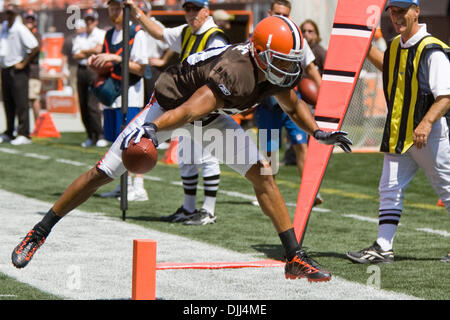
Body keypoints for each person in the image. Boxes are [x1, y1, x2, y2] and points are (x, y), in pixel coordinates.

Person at [11, 15, 352, 282]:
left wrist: (318, 132)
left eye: (291, 61)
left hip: (210, 116)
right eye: (281, 60)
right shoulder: (237, 72)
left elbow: (292, 105)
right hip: (170, 107)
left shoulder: (268, 70)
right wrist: (151, 127)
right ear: (260, 54)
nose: (289, 68)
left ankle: (294, 257)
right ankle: (39, 232)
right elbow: (188, 111)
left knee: (263, 174)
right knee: (104, 172)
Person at [346, 0, 450, 264]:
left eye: (402, 11)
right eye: (393, 11)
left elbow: (446, 96)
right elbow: (390, 66)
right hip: (398, 133)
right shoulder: (395, 45)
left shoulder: (432, 50)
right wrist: (363, 46)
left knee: (447, 190)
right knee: (389, 188)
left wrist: (425, 123)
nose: (396, 16)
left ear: (417, 11)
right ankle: (383, 246)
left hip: (429, 134)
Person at [128, 0, 230, 225]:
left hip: (206, 107)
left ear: (206, 10)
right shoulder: (187, 32)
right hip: (185, 106)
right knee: (186, 157)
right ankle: (189, 207)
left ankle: (209, 210)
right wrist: (137, 13)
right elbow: (159, 33)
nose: (191, 13)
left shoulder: (215, 37)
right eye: (188, 8)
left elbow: (218, 75)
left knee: (207, 157)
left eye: (196, 8)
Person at [254, 0, 323, 205]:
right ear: (269, 13)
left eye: (285, 15)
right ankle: (268, 191)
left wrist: (325, 95)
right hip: (267, 103)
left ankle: (311, 192)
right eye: (277, 13)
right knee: (270, 150)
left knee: (302, 145)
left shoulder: (296, 38)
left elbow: (310, 68)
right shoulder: (257, 35)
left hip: (291, 100)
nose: (281, 18)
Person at [92, 0, 149, 201]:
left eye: (118, 8)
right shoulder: (109, 34)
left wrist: (115, 59)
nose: (114, 11)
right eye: (111, 8)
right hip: (113, 93)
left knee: (132, 142)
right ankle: (123, 185)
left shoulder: (137, 33)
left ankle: (139, 187)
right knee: (116, 141)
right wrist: (99, 62)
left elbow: (141, 68)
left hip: (130, 94)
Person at [0, 1, 39, 145]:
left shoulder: (19, 28)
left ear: (15, 14)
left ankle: (24, 133)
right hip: (5, 69)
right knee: (8, 102)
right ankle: (9, 131)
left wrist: (23, 62)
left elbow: (35, 46)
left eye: (10, 13)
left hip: (18, 71)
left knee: (21, 102)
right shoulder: (4, 27)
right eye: (6, 12)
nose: (8, 15)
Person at [72, 9, 108, 148]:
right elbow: (75, 55)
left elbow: (99, 50)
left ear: (96, 21)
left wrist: (84, 52)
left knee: (92, 104)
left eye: (91, 20)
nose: (89, 22)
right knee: (82, 104)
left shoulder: (101, 34)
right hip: (81, 70)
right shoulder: (80, 37)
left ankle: (99, 134)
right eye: (87, 20)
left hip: (94, 70)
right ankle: (90, 135)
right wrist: (90, 50)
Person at [136, 0, 173, 105]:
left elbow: (173, 43)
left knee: (151, 102)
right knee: (140, 102)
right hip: (137, 67)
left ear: (150, 12)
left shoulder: (156, 25)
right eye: (140, 13)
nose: (142, 15)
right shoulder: (136, 26)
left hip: (152, 68)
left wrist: (163, 60)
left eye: (144, 12)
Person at [23, 10, 42, 124]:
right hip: (22, 72)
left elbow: (34, 51)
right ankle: (23, 126)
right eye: (27, 18)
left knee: (33, 98)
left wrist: (23, 62)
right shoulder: (21, 34)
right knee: (21, 100)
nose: (29, 21)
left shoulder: (37, 35)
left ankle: (37, 125)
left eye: (32, 19)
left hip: (32, 72)